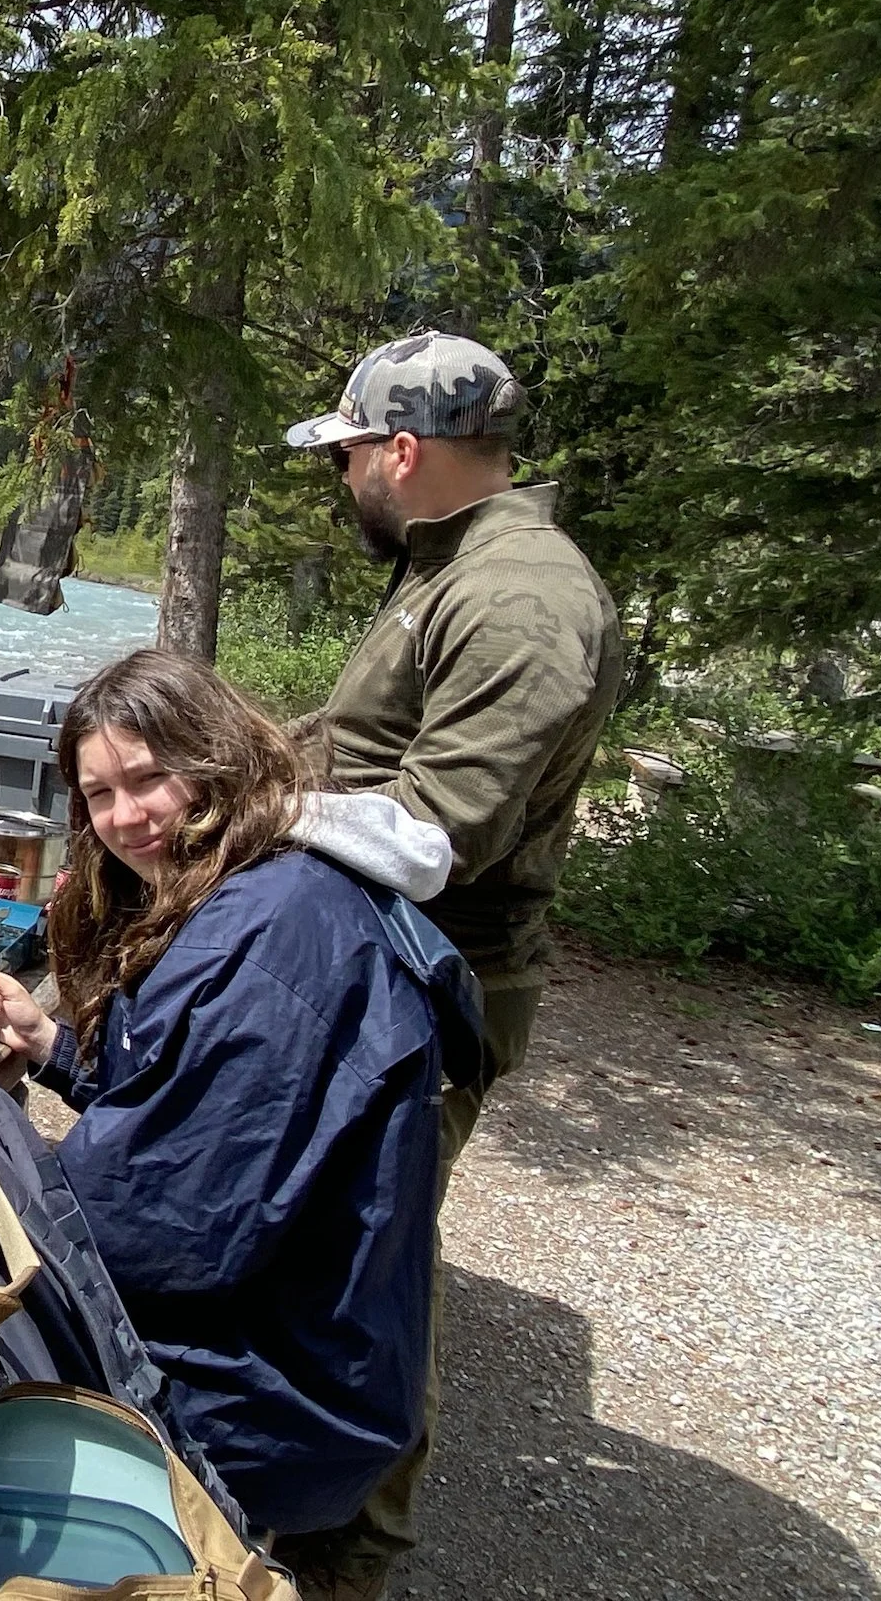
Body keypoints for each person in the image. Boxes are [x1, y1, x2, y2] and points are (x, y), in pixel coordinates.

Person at [0, 649, 478, 1549]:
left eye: (150, 778)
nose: (127, 817)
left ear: (213, 758)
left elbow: (155, 1225)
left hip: (275, 1399)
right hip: (296, 1342)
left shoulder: (268, 939)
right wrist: (55, 1051)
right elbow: (196, 1103)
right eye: (98, 795)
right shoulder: (267, 884)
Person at [281, 331, 623, 1593]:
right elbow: (371, 744)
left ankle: (352, 1549)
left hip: (436, 984)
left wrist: (245, 817)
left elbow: (436, 832)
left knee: (369, 1259)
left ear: (402, 451)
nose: (344, 481)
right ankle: (297, 1479)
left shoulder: (521, 594)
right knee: (325, 1231)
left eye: (350, 456)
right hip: (380, 962)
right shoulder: (454, 567)